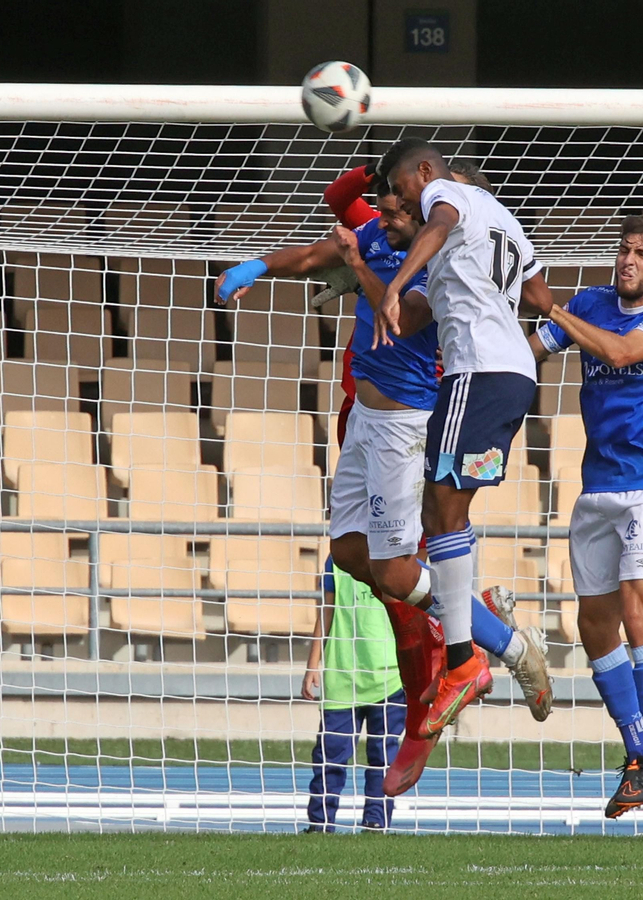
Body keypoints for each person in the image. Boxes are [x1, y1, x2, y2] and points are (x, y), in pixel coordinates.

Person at [214, 163, 551, 794]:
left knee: (396, 575)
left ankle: (500, 645)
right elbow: (316, 252)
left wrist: (362, 269)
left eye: (395, 211)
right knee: (347, 554)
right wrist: (256, 266)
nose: (385, 221)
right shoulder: (384, 233)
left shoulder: (436, 259)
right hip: (365, 418)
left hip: (406, 423)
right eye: (385, 210)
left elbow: (403, 318)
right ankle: (469, 614)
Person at [374, 138, 556, 737]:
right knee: (444, 510)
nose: (403, 203)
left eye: (401, 190)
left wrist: (397, 281)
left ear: (427, 172)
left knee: (440, 511)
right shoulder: (502, 221)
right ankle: (478, 631)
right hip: (510, 377)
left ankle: (463, 660)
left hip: (478, 372)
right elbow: (538, 296)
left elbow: (439, 221)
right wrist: (373, 279)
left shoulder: (447, 197)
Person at [527, 215, 643, 817]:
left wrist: (552, 308)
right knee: (594, 625)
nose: (628, 260)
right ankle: (639, 756)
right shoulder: (589, 303)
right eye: (624, 249)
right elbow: (532, 351)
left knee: (636, 611)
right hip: (596, 487)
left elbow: (621, 353)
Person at [302, 559, 404, 832]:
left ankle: (376, 822)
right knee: (330, 757)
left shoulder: (396, 554)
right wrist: (313, 664)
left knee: (383, 756)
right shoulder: (336, 560)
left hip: (390, 677)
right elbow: (326, 611)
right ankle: (320, 824)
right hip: (342, 676)